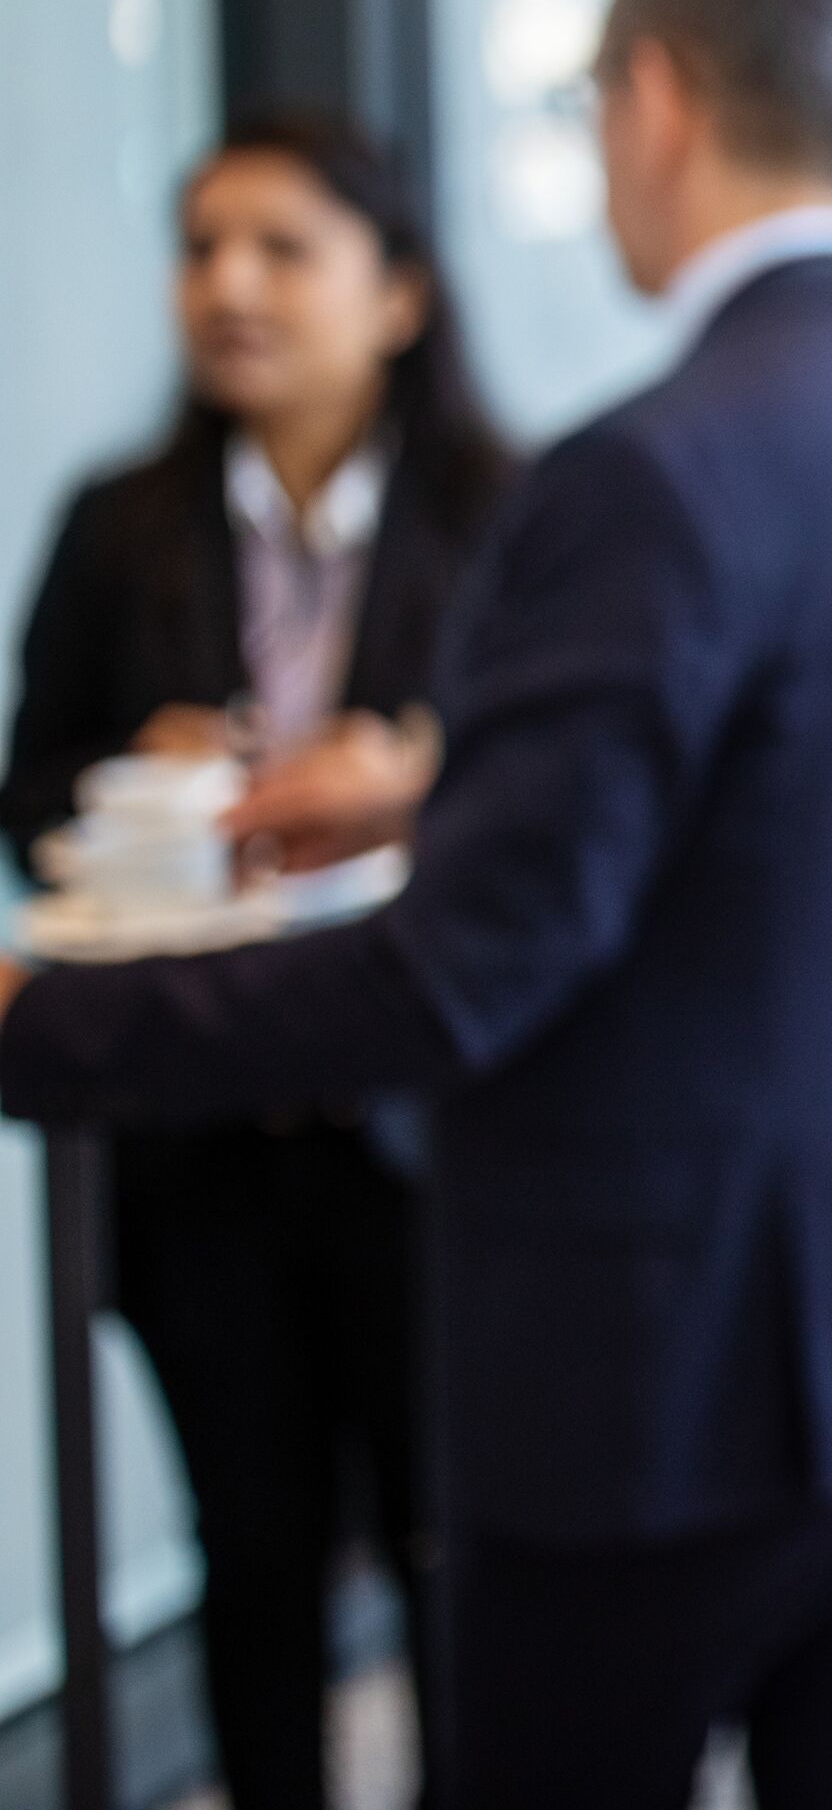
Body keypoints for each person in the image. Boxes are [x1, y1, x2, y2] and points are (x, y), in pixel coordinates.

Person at [0, 0, 832, 1810]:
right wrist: (437, 775)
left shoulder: (648, 469)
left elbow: (467, 964)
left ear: (654, 95)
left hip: (641, 1364)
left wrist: (39, 1016)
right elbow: (801, 806)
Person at [2, 117, 507, 1810]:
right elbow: (32, 788)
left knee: (462, 1553)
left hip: (422, 1141)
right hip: (199, 1145)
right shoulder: (117, 522)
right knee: (253, 1548)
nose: (228, 287)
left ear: (399, 293)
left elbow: (561, 820)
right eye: (203, 245)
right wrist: (123, 779)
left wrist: (414, 777)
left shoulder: (507, 520)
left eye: (282, 247)